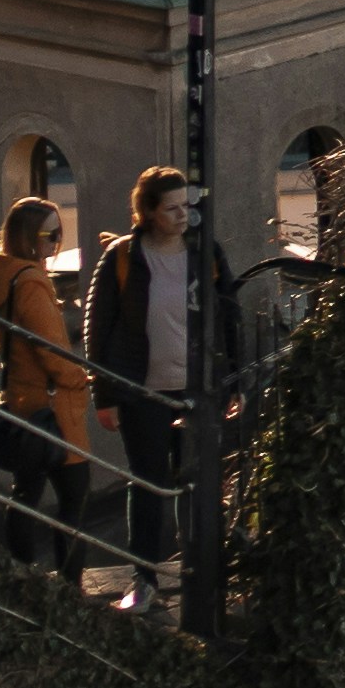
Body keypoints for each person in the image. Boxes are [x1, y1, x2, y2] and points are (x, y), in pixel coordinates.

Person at [89, 164, 232, 593]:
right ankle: (144, 578)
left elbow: (229, 318)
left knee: (198, 483)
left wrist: (232, 382)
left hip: (197, 390)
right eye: (171, 208)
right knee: (148, 484)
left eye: (187, 206)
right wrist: (105, 395)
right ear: (148, 212)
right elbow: (98, 327)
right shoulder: (122, 256)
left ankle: (200, 575)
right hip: (142, 392)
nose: (182, 215)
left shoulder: (207, 252)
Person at [0, 195, 86, 569]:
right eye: (51, 235)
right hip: (52, 406)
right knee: (74, 497)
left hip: (17, 398)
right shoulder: (32, 282)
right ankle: (71, 585)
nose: (56, 243)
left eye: (59, 233)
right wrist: (80, 378)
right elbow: (53, 351)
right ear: (29, 236)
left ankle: (21, 573)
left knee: (26, 492)